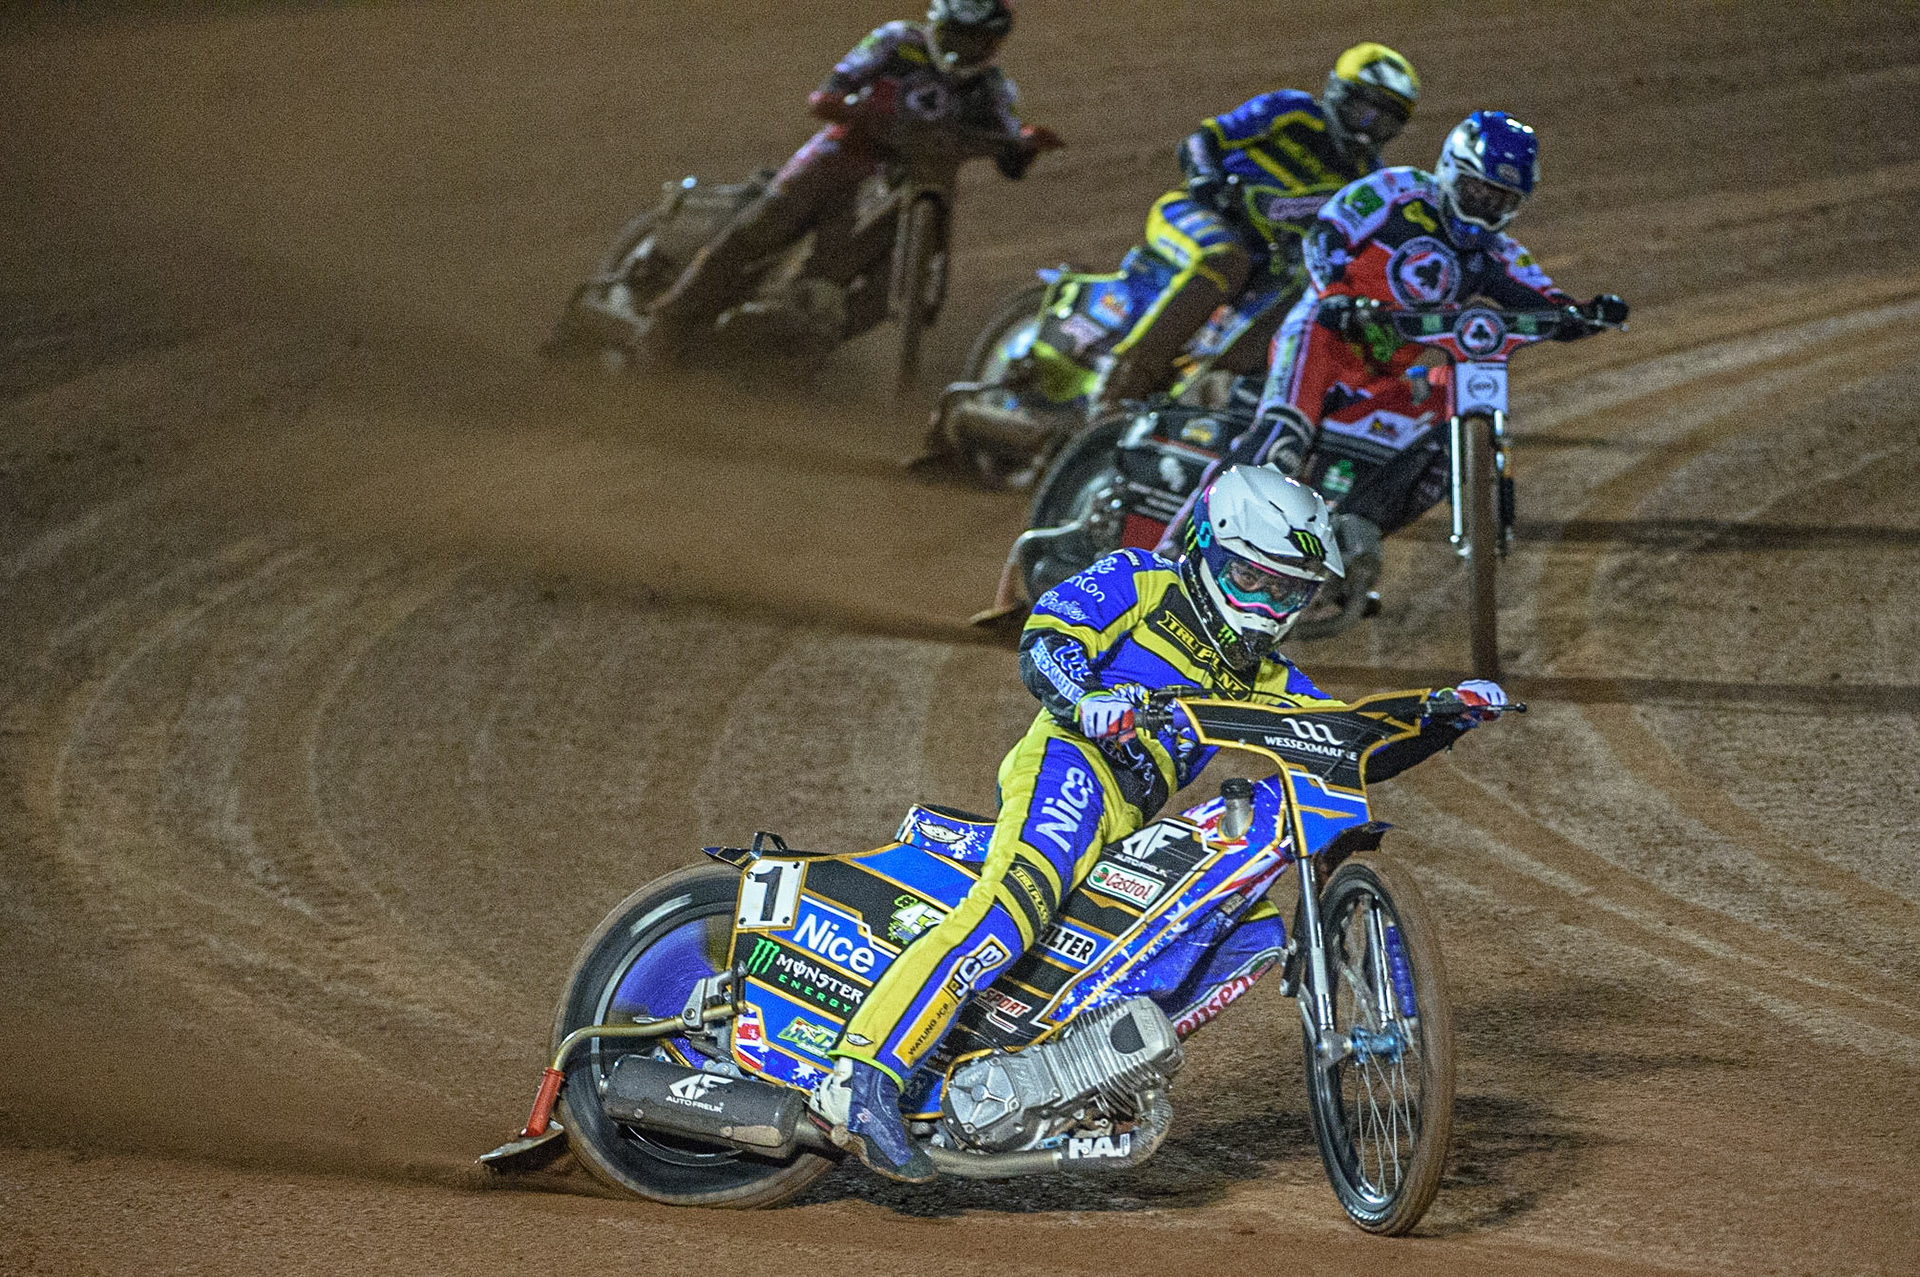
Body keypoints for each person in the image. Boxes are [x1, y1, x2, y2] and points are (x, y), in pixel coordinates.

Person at [809, 466, 1509, 1181]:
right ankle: (863, 1078)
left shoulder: (1266, 677)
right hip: (1071, 766)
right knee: (1017, 902)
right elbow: (1046, 637)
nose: (1264, 606)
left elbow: (1347, 745)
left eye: (1286, 592)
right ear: (1205, 547)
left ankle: (1075, 1076)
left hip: (1132, 816)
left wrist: (1439, 718)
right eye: (1250, 578)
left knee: (1241, 928)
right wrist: (1085, 698)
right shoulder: (1141, 580)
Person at [644, 1, 1062, 356]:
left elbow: (1011, 158)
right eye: (959, 36)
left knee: (897, 287)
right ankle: (667, 320)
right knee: (769, 221)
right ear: (939, 25)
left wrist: (1028, 144)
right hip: (845, 155)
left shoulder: (992, 88)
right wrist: (845, 106)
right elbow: (830, 92)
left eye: (978, 41)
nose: (966, 49)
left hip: (917, 184)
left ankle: (802, 348)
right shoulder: (896, 41)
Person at [1248, 109, 1630, 480]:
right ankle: (1211, 510)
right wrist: (1334, 293)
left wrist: (1589, 314)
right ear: (1451, 170)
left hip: (1381, 378)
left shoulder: (1498, 253)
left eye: (1500, 200)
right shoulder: (1396, 189)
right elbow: (1326, 233)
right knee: (1283, 444)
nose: (1484, 207)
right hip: (1323, 340)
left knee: (1443, 439)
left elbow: (1550, 306)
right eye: (1477, 190)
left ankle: (1362, 514)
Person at [1090, 43, 1421, 417]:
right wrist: (1206, 180)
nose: (1368, 128)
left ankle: (1200, 400)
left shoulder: (1368, 180)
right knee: (1225, 258)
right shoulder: (1294, 112)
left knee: (1308, 302)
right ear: (1338, 94)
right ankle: (1119, 383)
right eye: (1363, 111)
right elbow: (1204, 139)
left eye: (1384, 121)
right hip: (1195, 212)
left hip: (1268, 265)